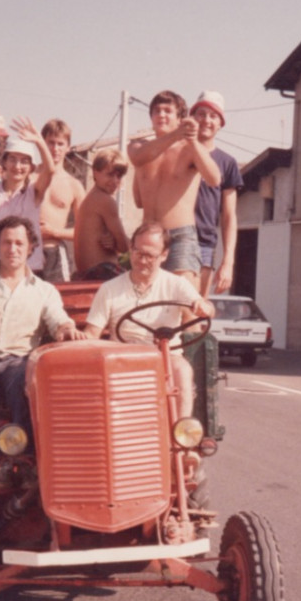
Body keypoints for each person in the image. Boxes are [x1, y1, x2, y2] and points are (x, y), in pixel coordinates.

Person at [0, 215, 85, 471]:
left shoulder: (44, 291)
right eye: (7, 243)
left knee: (28, 382)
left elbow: (59, 321)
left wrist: (68, 330)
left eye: (19, 243)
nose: (13, 249)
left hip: (18, 362)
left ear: (31, 247)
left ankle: (21, 454)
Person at [82, 222, 214, 418]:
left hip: (166, 357)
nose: (143, 260)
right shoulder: (109, 289)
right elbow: (92, 333)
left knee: (183, 370)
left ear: (164, 255)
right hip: (122, 357)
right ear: (131, 249)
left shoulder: (176, 284)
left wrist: (203, 307)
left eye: (150, 256)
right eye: (138, 253)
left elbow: (206, 307)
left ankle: (181, 438)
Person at [128, 91, 221, 286]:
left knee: (183, 305)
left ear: (180, 118)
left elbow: (214, 179)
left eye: (167, 111)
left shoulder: (189, 149)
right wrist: (176, 134)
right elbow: (137, 160)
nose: (161, 115)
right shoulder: (138, 147)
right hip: (147, 237)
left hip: (179, 236)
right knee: (145, 302)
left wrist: (192, 139)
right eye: (156, 111)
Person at [0, 117, 55, 273]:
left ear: (31, 167)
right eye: (13, 160)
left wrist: (39, 141)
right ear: (4, 162)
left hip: (29, 271)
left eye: (24, 161)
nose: (18, 166)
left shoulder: (34, 193)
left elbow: (50, 170)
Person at [191, 91, 243, 296]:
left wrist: (228, 262)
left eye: (213, 116)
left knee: (195, 311)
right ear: (192, 117)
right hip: (170, 242)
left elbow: (229, 216)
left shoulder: (227, 163)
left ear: (220, 123)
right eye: (201, 114)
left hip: (204, 245)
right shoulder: (178, 151)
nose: (206, 120)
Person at [38, 118, 86, 283]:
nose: (55, 149)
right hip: (26, 253)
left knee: (57, 304)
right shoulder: (28, 177)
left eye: (60, 144)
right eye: (51, 143)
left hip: (56, 254)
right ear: (42, 143)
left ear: (68, 147)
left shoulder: (74, 185)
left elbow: (84, 232)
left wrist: (54, 232)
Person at [73, 148, 130, 279]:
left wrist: (114, 242)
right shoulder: (105, 200)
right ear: (95, 173)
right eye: (110, 174)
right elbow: (125, 246)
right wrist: (117, 243)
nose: (115, 181)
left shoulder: (91, 198)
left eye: (119, 176)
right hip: (101, 272)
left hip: (87, 273)